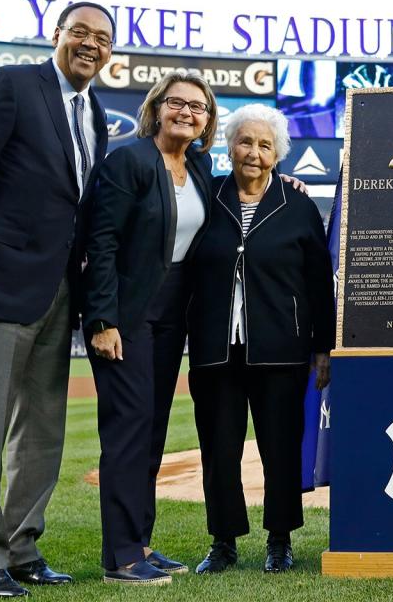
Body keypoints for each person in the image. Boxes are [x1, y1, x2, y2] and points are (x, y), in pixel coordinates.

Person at [0, 1, 114, 598]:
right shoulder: (12, 85)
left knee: (42, 428)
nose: (91, 44)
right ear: (57, 35)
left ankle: (22, 549)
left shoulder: (94, 113)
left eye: (103, 38)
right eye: (81, 33)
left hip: (61, 288)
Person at [186, 104, 334, 575]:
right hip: (215, 349)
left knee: (280, 447)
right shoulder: (205, 196)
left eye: (264, 145)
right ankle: (223, 542)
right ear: (229, 147)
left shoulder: (300, 205)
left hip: (281, 349)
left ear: (278, 155)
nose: (253, 152)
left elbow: (318, 283)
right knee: (219, 449)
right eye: (245, 142)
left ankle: (280, 540)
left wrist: (323, 347)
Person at [82, 72, 218, 585]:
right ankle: (120, 557)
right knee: (128, 431)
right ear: (157, 108)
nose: (187, 112)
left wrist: (282, 182)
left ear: (207, 120)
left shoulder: (200, 167)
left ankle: (139, 541)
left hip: (173, 313)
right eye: (177, 103)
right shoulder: (130, 160)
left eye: (198, 107)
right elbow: (102, 242)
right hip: (127, 311)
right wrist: (102, 319)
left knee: (153, 430)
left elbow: (227, 207)